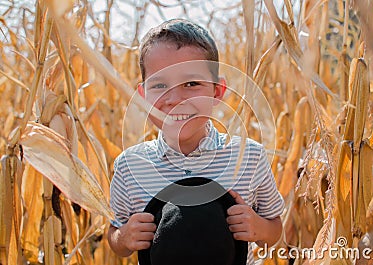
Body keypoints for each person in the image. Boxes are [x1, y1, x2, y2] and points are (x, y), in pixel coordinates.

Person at [107, 18, 285, 265]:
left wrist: (259, 229)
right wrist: (124, 238)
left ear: (217, 91)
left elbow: (274, 229)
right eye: (159, 85)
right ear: (143, 96)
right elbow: (115, 235)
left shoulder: (249, 156)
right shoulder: (129, 166)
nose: (175, 99)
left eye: (191, 84)